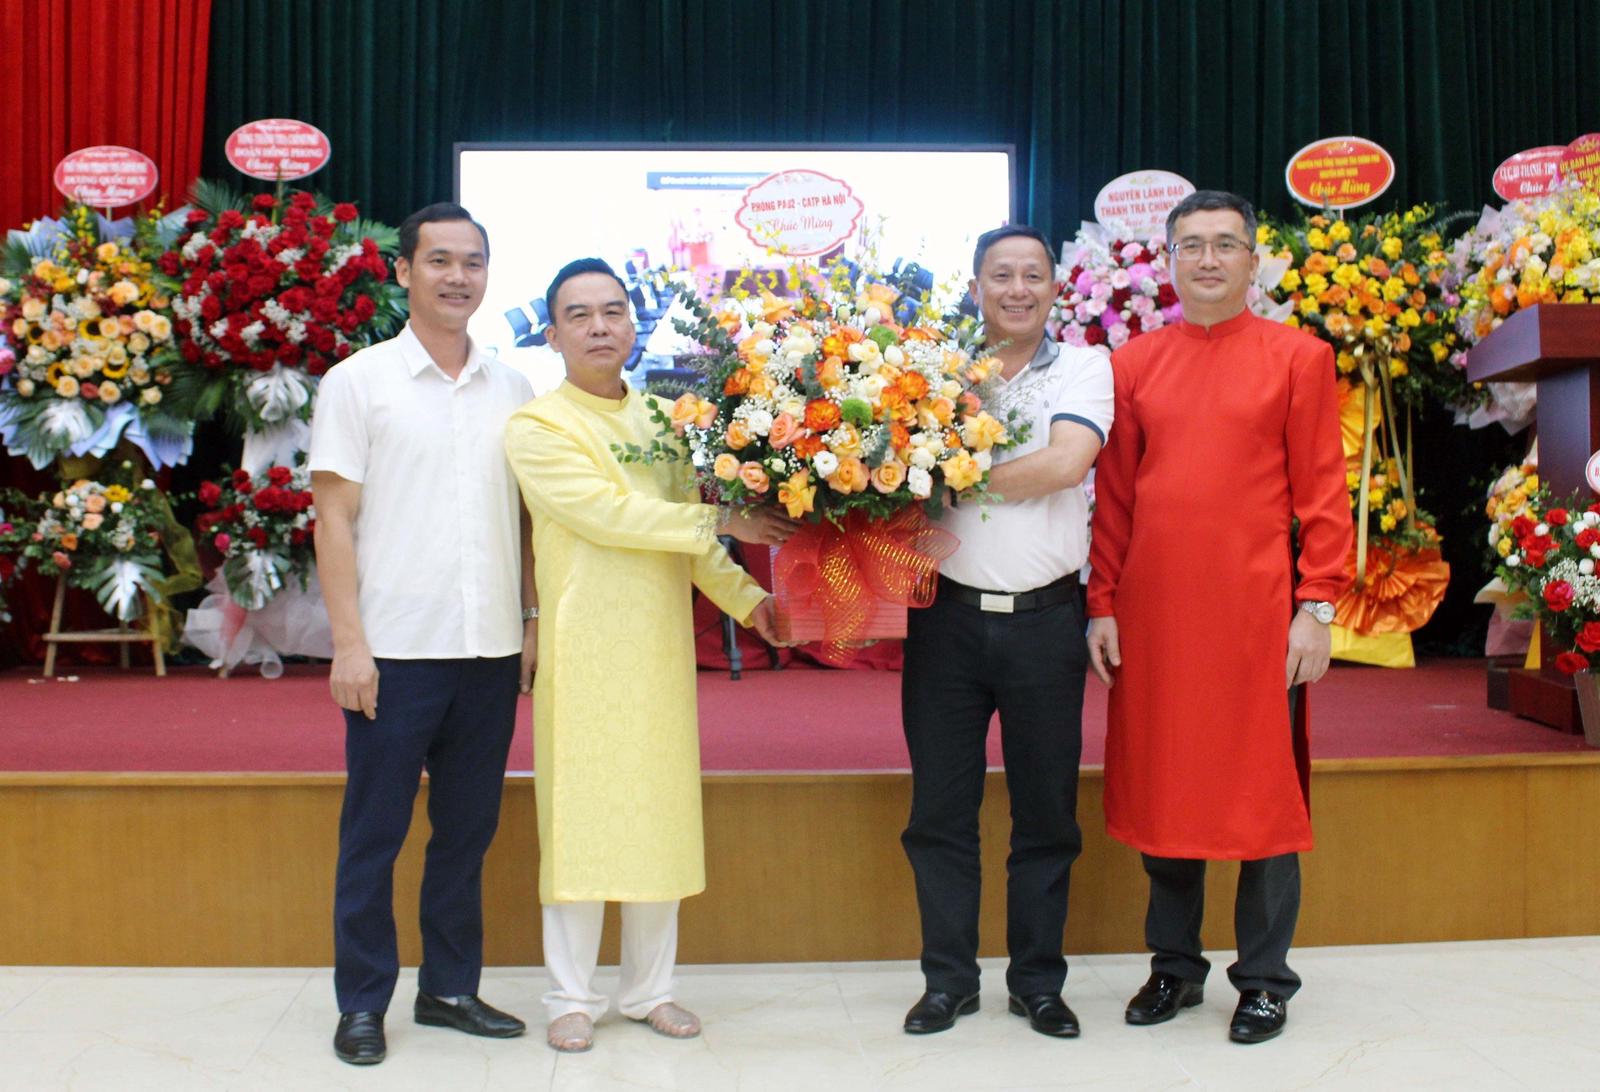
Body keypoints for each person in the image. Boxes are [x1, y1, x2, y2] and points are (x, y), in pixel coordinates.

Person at [502, 257, 792, 1053]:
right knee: (581, 820)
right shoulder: (537, 426)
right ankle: (569, 996)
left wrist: (752, 602)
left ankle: (650, 991)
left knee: (659, 818)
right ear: (551, 334)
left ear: (633, 325)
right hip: (583, 652)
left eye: (613, 311)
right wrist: (721, 520)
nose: (599, 327)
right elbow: (606, 514)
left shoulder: (665, 420)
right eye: (579, 315)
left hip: (657, 653)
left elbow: (686, 542)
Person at [1085, 190, 1351, 1044]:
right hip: (1157, 616)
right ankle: (1174, 967)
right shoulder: (1134, 364)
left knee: (1263, 796)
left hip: (1259, 617)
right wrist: (1102, 601)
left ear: (1253, 260)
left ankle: (1265, 979)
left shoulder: (1299, 358)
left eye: (1225, 244)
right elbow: (1115, 498)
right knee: (1167, 788)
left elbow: (1323, 493)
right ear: (1168, 261)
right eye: (1191, 245)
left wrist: (1316, 607)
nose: (1208, 259)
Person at [310, 202, 535, 1065]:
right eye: (439, 260)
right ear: (403, 271)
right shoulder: (358, 382)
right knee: (374, 835)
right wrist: (349, 642)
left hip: (488, 650)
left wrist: (530, 621)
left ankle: (448, 988)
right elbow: (334, 520)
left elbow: (525, 521)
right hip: (395, 652)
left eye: (472, 261)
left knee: (467, 832)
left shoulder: (513, 389)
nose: (457, 276)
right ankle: (363, 1002)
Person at [899, 225, 1112, 1038]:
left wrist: (948, 481)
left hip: (1045, 623)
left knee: (1047, 815)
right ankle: (947, 982)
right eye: (1001, 275)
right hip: (946, 622)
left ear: (1055, 288)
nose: (1017, 289)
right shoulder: (934, 374)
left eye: (1032, 275)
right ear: (976, 287)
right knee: (939, 813)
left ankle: (1038, 984)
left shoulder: (1085, 366)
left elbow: (1065, 464)